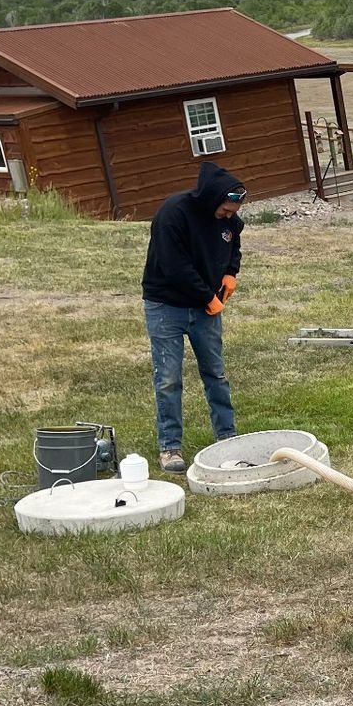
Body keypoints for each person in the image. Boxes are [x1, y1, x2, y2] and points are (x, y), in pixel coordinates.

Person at [142, 160, 246, 472]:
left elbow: (233, 246)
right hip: (166, 305)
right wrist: (208, 298)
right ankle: (170, 447)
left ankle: (226, 436)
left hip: (206, 307)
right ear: (213, 198)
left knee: (215, 373)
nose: (228, 217)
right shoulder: (173, 214)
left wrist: (230, 274)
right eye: (225, 210)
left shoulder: (228, 221)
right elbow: (176, 268)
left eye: (232, 212)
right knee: (169, 378)